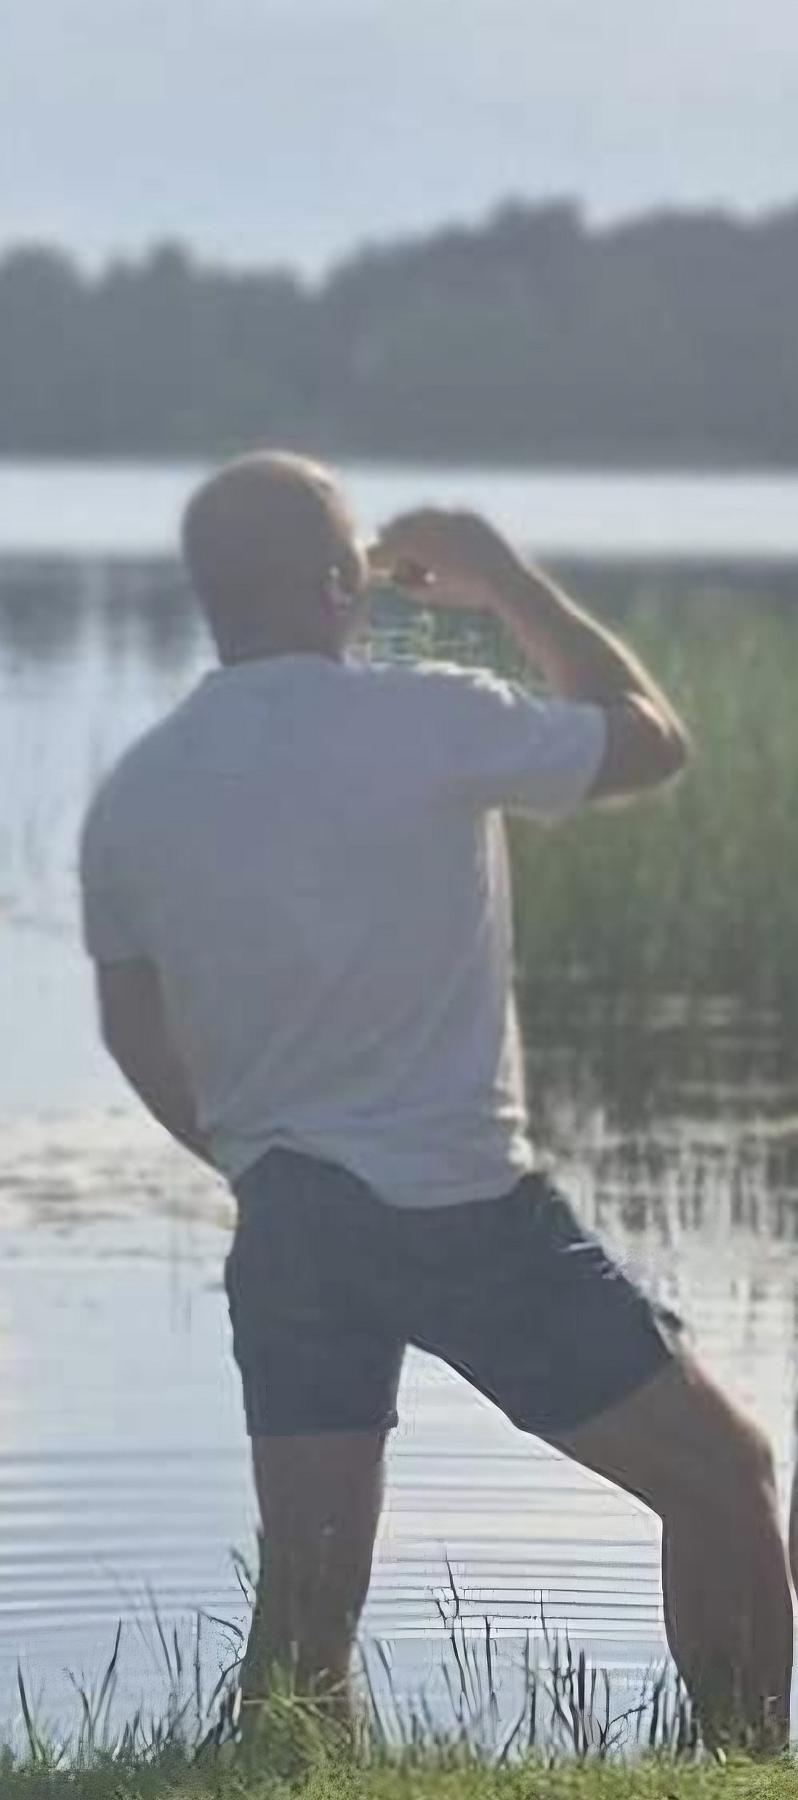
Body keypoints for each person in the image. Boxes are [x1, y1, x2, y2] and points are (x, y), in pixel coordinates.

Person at [79, 450, 792, 1749]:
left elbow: (131, 1021)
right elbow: (648, 739)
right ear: (337, 583)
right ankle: (744, 1771)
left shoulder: (137, 794)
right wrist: (504, 577)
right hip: (462, 1211)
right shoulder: (426, 716)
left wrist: (245, 1154)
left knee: (308, 1600)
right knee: (724, 1480)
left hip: (290, 1217)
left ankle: (283, 1773)